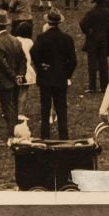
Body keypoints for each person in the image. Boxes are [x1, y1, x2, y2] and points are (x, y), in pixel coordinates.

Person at [30, 9, 77, 140]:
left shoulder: (42, 37)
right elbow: (73, 61)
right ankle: (64, 136)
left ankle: (45, 136)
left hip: (45, 77)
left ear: (48, 21)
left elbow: (33, 52)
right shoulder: (67, 39)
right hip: (61, 78)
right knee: (61, 109)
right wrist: (67, 74)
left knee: (45, 109)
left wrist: (40, 65)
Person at [0, 11, 26, 139]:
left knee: (7, 108)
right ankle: (15, 131)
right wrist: (19, 76)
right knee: (14, 106)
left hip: (4, 81)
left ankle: (12, 134)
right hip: (15, 80)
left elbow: (3, 65)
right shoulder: (15, 40)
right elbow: (23, 60)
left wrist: (13, 76)